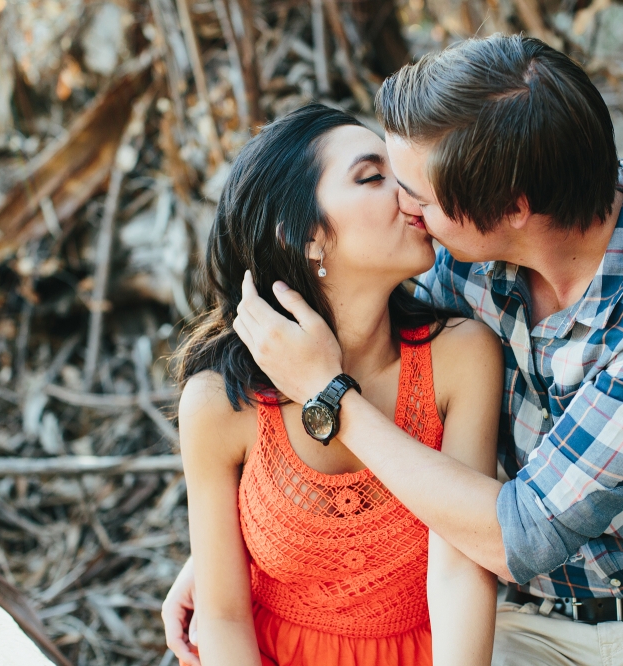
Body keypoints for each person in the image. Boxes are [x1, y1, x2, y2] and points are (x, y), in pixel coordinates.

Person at [166, 35, 623, 665]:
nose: (407, 206)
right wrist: (247, 532)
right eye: (383, 174)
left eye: (421, 192)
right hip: (524, 624)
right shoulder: (466, 266)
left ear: (512, 207)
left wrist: (329, 396)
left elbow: (522, 534)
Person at [168, 103, 499, 666]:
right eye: (373, 177)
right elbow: (222, 616)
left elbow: (461, 567)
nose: (409, 193)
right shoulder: (220, 404)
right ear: (307, 237)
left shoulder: (460, 355)